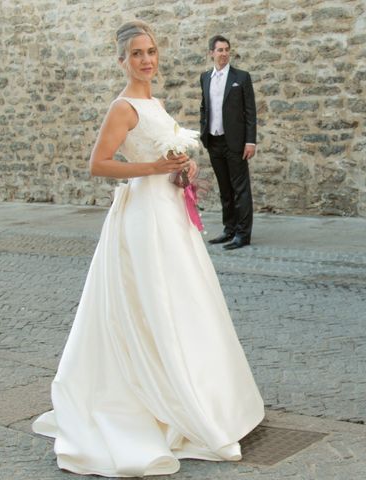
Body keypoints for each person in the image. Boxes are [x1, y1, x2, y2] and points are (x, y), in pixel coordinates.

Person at [32, 21, 264, 477]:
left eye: (151, 51)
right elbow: (99, 164)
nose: (146, 60)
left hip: (169, 212)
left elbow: (164, 159)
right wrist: (155, 166)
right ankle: (156, 396)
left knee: (184, 302)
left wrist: (183, 167)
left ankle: (203, 394)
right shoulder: (122, 107)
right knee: (151, 301)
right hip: (141, 217)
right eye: (136, 53)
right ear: (122, 61)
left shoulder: (155, 102)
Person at [200, 35, 257, 250]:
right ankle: (229, 228)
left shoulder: (241, 77)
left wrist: (250, 141)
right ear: (211, 53)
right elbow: (204, 107)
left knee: (240, 189)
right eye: (220, 50)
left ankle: (243, 234)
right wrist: (203, 132)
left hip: (236, 142)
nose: (224, 53)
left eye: (226, 50)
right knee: (225, 188)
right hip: (214, 141)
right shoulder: (205, 77)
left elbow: (250, 111)